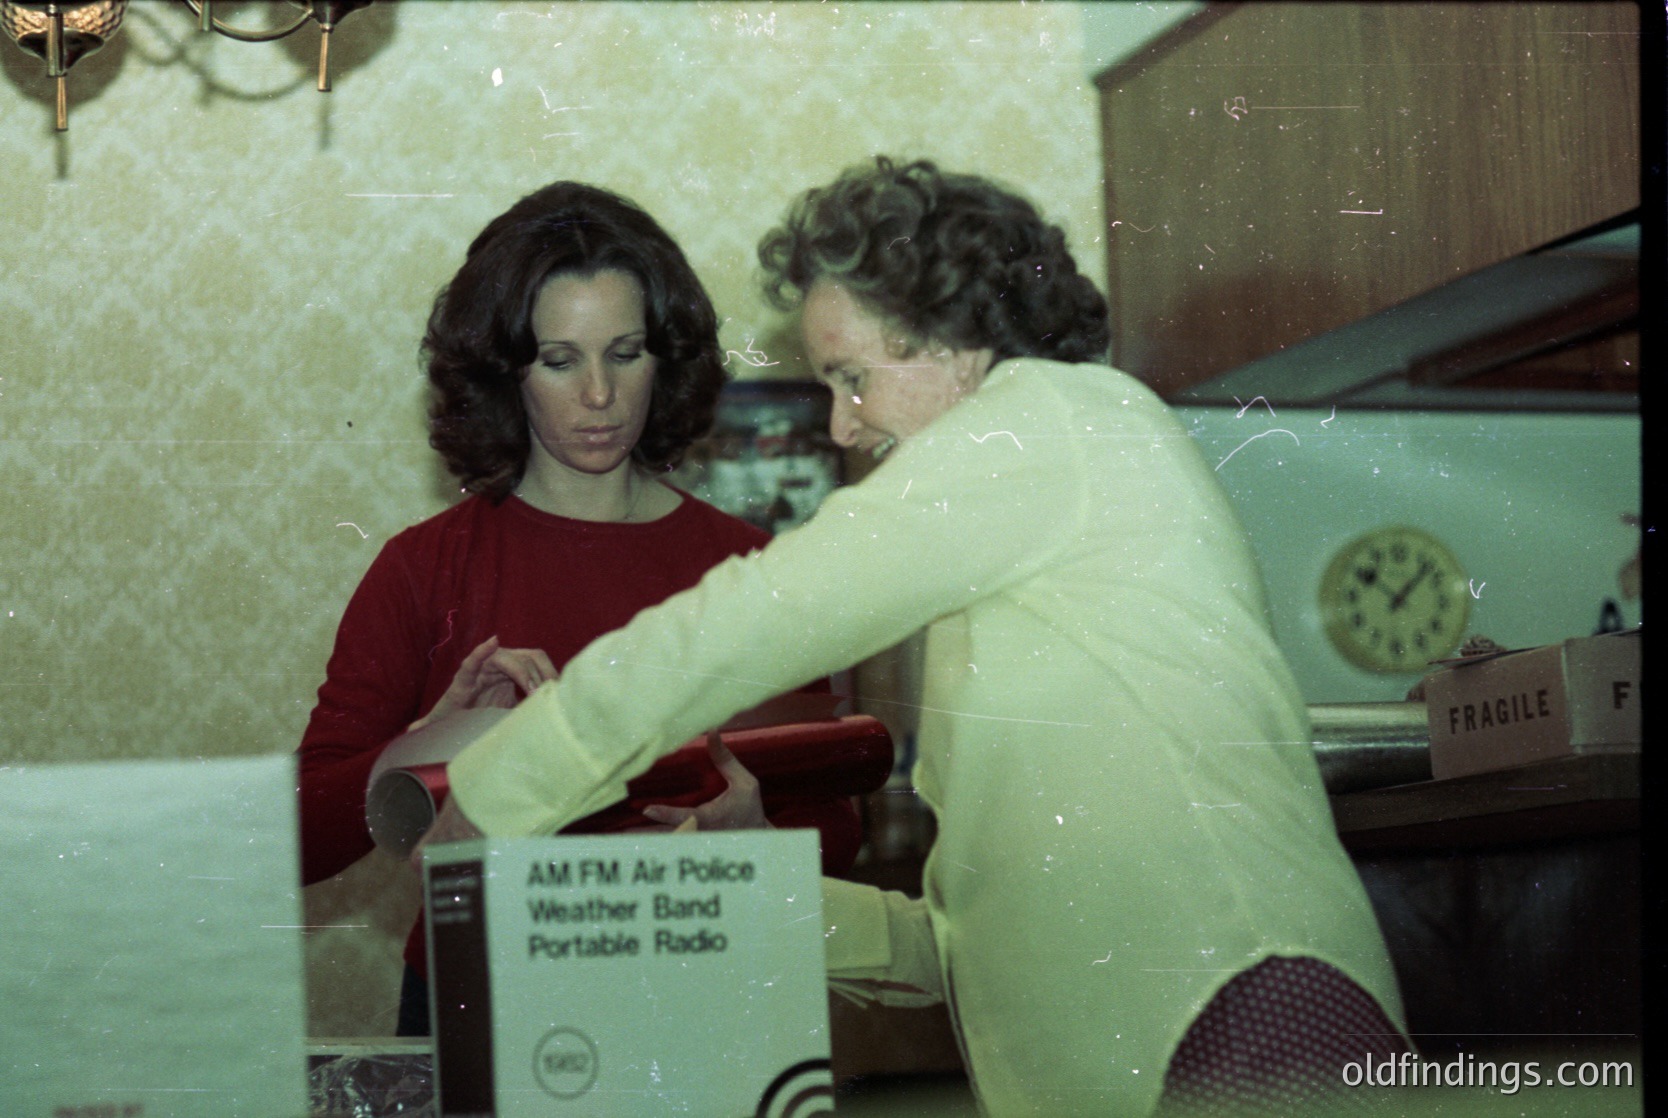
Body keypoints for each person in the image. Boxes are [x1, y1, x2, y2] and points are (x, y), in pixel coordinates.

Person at [417, 158, 1410, 1114]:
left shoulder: (1053, 418)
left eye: (852, 377)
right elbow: (974, 938)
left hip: (1240, 1006)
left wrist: (498, 790)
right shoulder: (1026, 521)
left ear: (955, 336)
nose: (843, 428)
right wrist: (741, 888)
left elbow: (762, 614)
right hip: (1190, 1020)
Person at [296, 181, 861, 1037]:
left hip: (697, 996)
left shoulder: (743, 567)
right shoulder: (424, 568)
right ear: (505, 374)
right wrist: (426, 746)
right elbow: (299, 838)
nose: (598, 396)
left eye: (625, 353)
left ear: (665, 358)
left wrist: (764, 834)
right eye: (560, 361)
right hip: (481, 1000)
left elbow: (837, 825)